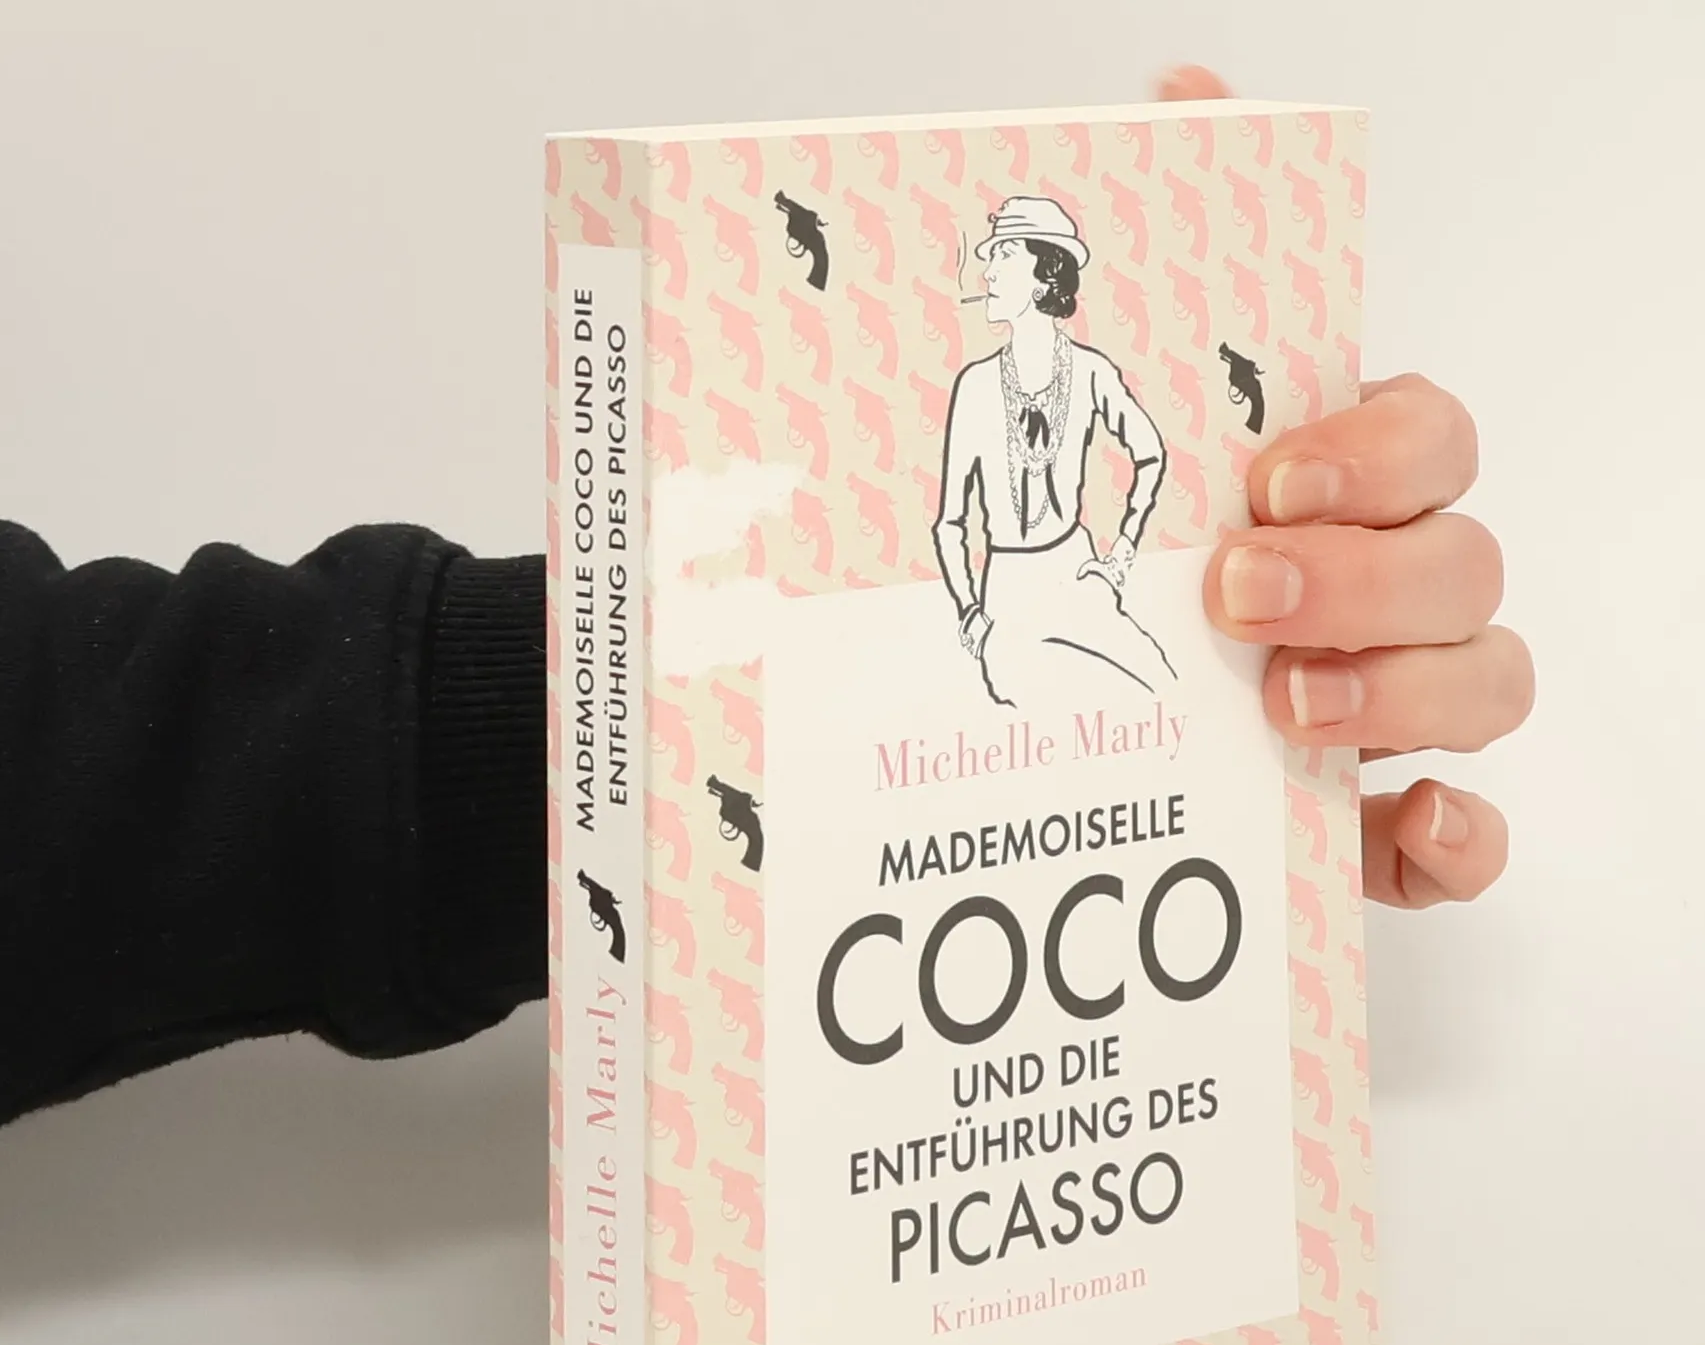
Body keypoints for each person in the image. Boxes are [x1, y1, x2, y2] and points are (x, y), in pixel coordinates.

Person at [0, 65, 1533, 1131]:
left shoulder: (1067, 391)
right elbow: (952, 513)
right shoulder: (979, 402)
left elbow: (75, 782)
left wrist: (1194, 559)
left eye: (1014, 274)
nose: (996, 292)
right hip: (996, 625)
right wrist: (877, 655)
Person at [933, 196, 1175, 706]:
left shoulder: (1089, 371)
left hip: (1077, 571)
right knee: (1039, 710)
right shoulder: (975, 386)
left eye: (1004, 254)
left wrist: (1120, 557)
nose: (988, 272)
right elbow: (950, 522)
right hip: (1006, 591)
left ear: (1043, 276)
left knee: (1164, 686)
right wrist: (970, 611)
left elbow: (1151, 452)